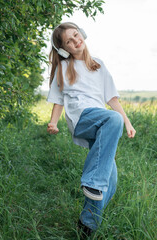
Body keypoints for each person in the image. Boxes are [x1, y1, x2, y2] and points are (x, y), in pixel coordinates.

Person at [47, 22, 136, 236]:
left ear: (83, 34)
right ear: (63, 49)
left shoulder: (99, 64)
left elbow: (111, 98)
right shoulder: (64, 67)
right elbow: (59, 99)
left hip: (101, 119)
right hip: (81, 117)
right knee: (112, 120)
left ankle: (87, 224)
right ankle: (93, 182)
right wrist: (53, 122)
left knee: (111, 179)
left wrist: (127, 121)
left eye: (77, 35)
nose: (76, 41)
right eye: (69, 41)